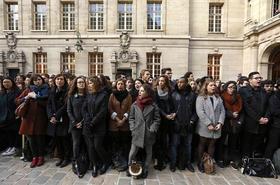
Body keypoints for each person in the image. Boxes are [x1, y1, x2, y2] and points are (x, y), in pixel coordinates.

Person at [16, 74, 49, 168]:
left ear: (42, 80)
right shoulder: (28, 90)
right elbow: (17, 101)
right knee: (31, 139)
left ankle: (41, 157)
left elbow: (47, 103)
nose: (37, 81)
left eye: (39, 79)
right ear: (32, 81)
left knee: (40, 139)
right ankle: (34, 157)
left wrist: (36, 98)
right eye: (35, 80)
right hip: (28, 119)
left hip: (40, 118)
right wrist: (26, 97)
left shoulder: (46, 90)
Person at [128, 84, 160, 178]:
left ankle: (145, 169)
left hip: (148, 133)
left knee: (149, 152)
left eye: (142, 91)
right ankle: (130, 167)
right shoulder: (134, 104)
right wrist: (132, 128)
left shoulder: (153, 106)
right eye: (139, 91)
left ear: (147, 92)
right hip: (137, 132)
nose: (140, 92)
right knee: (133, 152)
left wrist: (152, 129)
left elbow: (157, 119)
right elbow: (131, 118)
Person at [196, 78, 225, 173]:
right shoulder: (201, 98)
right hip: (205, 126)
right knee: (202, 143)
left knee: (212, 144)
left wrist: (220, 122)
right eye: (211, 85)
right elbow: (200, 112)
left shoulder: (218, 98)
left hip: (216, 125)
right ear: (206, 86)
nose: (213, 87)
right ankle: (200, 162)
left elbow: (222, 111)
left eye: (214, 85)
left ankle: (209, 162)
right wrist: (208, 123)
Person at [83, 76, 109, 177]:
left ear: (96, 84)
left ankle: (105, 162)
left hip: (99, 125)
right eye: (88, 83)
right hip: (88, 125)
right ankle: (94, 165)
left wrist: (93, 122)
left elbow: (103, 111)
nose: (88, 85)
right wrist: (87, 119)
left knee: (98, 146)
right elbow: (84, 108)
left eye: (90, 83)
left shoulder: (103, 95)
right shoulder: (88, 94)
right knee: (90, 147)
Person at [239, 72, 270, 158]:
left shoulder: (263, 91)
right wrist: (258, 118)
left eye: (260, 78)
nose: (259, 80)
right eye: (256, 78)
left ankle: (253, 162)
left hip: (262, 124)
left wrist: (266, 117)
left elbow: (268, 106)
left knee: (256, 145)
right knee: (246, 145)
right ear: (250, 80)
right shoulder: (243, 90)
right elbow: (247, 107)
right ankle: (244, 163)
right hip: (249, 123)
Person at [217, 81, 243, 169]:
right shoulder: (222, 96)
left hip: (236, 123)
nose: (232, 89)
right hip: (225, 121)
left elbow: (242, 110)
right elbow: (222, 109)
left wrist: (239, 121)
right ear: (226, 88)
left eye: (234, 87)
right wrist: (231, 114)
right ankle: (220, 158)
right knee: (221, 142)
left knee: (233, 142)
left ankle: (231, 159)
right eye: (230, 87)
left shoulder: (238, 97)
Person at [47, 74, 70, 168]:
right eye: (57, 79)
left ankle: (66, 158)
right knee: (57, 140)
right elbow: (48, 105)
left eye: (61, 79)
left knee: (65, 140)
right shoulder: (52, 91)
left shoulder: (67, 91)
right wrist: (50, 116)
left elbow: (65, 105)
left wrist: (56, 116)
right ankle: (61, 157)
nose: (59, 81)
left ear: (64, 81)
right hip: (53, 119)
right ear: (54, 81)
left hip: (63, 118)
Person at [108, 78, 132, 171]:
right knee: (115, 144)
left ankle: (123, 162)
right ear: (116, 85)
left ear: (124, 85)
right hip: (114, 124)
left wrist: (123, 120)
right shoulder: (112, 95)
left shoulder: (128, 96)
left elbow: (130, 109)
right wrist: (118, 119)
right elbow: (110, 108)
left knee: (124, 144)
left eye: (122, 84)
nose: (120, 86)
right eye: (118, 84)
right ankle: (115, 161)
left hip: (125, 124)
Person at [154, 75, 175, 171]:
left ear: (166, 82)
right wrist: (165, 115)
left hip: (169, 120)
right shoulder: (155, 92)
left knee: (166, 141)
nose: (161, 82)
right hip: (159, 119)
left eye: (163, 81)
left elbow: (172, 104)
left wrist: (173, 113)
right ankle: (159, 162)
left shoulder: (169, 92)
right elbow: (156, 106)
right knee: (158, 141)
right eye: (160, 81)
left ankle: (165, 159)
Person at [67, 76, 87, 172]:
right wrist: (75, 122)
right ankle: (76, 162)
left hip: (86, 123)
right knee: (76, 144)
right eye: (79, 82)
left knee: (86, 144)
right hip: (74, 124)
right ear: (76, 84)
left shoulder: (89, 95)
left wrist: (83, 122)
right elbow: (69, 110)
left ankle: (86, 161)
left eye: (82, 82)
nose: (81, 84)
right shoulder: (71, 96)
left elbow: (90, 111)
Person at [0, 77, 20, 156]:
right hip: (4, 116)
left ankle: (15, 147)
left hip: (14, 115)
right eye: (4, 82)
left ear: (12, 83)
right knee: (8, 132)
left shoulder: (17, 92)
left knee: (14, 132)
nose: (6, 84)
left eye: (8, 82)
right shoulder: (2, 93)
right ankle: (10, 146)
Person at [264, 79, 280, 159]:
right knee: (272, 146)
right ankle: (267, 164)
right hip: (276, 126)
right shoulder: (274, 97)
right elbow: (275, 111)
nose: (269, 88)